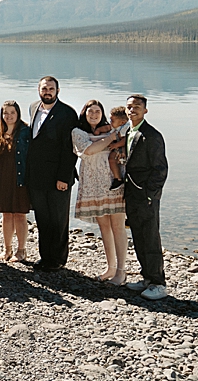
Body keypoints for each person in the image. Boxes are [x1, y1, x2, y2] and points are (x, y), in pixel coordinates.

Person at [26, 76, 79, 271]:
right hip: (37, 175)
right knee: (42, 217)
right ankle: (45, 256)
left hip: (58, 176)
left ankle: (58, 259)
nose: (47, 92)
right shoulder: (33, 108)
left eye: (51, 89)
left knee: (58, 218)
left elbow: (70, 149)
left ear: (58, 91)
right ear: (38, 90)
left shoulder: (67, 113)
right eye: (44, 88)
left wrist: (64, 177)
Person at [72, 99, 128, 283]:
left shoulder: (111, 129)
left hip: (113, 182)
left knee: (118, 226)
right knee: (104, 227)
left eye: (97, 111)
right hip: (92, 184)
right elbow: (88, 150)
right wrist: (111, 138)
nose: (94, 114)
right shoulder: (78, 132)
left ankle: (121, 270)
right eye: (90, 111)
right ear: (84, 113)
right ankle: (110, 268)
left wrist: (112, 137)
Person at [122, 94, 169, 300]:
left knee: (150, 238)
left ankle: (158, 283)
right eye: (130, 107)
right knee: (138, 237)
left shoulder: (151, 135)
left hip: (146, 196)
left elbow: (161, 169)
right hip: (131, 193)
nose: (132, 110)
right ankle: (147, 278)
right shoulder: (128, 131)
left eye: (137, 107)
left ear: (145, 111)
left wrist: (150, 195)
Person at [0, 101, 31, 263]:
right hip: (2, 179)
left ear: (18, 114)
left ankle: (21, 250)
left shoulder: (25, 132)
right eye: (5, 113)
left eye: (12, 112)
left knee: (20, 215)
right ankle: (7, 249)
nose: (8, 116)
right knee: (6, 214)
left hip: (20, 178)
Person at [106, 107, 129, 190]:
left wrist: (115, 145)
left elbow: (125, 140)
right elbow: (107, 128)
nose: (110, 122)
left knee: (112, 159)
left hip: (122, 148)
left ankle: (118, 178)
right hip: (119, 147)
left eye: (112, 121)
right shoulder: (118, 126)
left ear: (122, 122)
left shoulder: (125, 128)